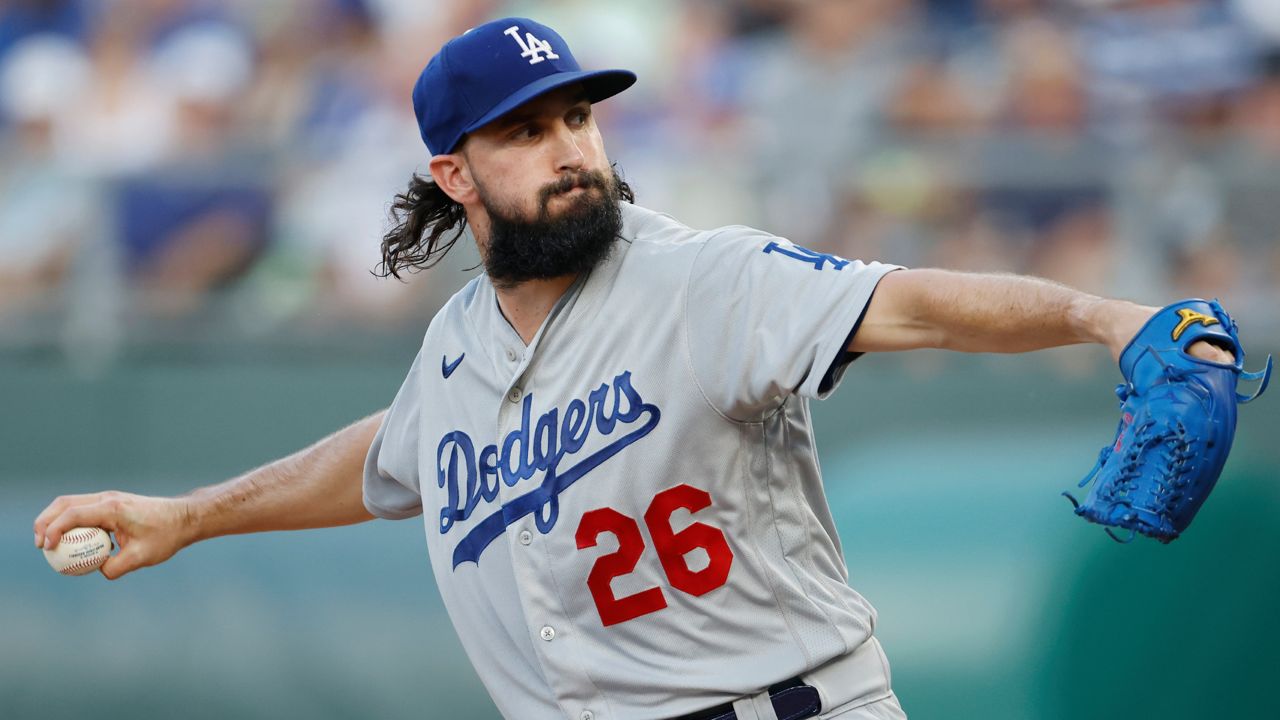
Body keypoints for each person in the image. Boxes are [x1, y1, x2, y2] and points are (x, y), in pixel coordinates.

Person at [33, 17, 1235, 720]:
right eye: (525, 131)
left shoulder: (700, 278)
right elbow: (394, 455)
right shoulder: (453, 347)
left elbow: (906, 303)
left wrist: (1099, 315)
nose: (570, 152)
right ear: (454, 173)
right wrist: (186, 519)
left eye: (578, 119)